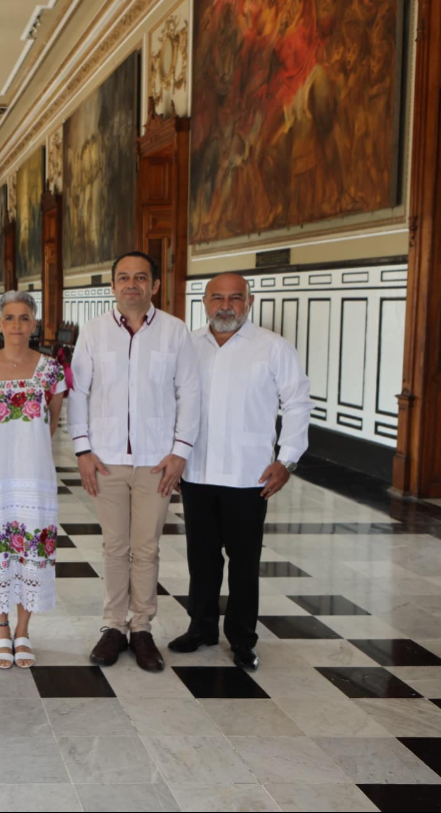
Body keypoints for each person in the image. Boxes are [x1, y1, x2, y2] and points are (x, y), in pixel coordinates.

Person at [170, 273, 311, 670]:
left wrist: (287, 460)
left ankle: (243, 638)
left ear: (249, 301)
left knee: (244, 560)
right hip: (196, 470)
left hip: (249, 474)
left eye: (234, 298)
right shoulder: (188, 346)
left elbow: (298, 402)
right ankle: (201, 628)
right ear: (204, 301)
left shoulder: (272, 347)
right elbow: (172, 401)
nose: (225, 306)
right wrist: (173, 456)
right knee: (201, 557)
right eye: (217, 297)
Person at [70, 252, 200, 672]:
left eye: (140, 278)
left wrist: (180, 450)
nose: (131, 284)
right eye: (123, 278)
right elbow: (78, 394)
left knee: (146, 548)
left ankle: (141, 629)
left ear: (154, 286)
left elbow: (190, 394)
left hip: (155, 462)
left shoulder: (176, 333)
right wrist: (83, 450)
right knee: (114, 546)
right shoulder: (92, 333)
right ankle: (113, 628)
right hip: (105, 461)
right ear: (112, 287)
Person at [0, 291, 66, 669]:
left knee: (32, 553)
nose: (17, 325)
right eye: (9, 317)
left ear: (35, 323)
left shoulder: (51, 370)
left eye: (24, 318)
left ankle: (23, 630)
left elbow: (52, 422)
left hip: (35, 477)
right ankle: (1, 628)